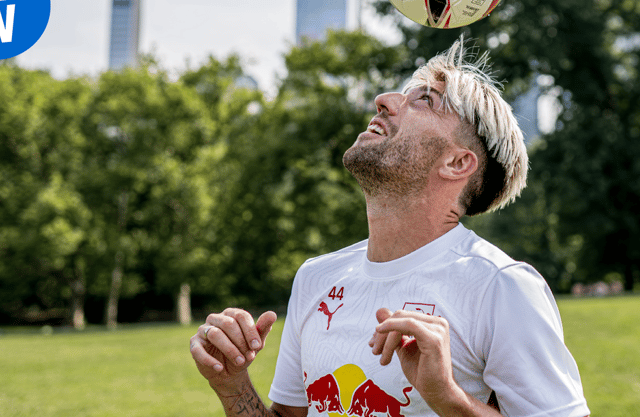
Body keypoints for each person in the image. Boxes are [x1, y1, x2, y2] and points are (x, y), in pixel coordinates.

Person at [190, 40, 590, 417]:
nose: (384, 100)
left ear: (456, 164)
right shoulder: (315, 277)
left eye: (425, 101)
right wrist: (233, 386)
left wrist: (449, 399)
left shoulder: (500, 286)